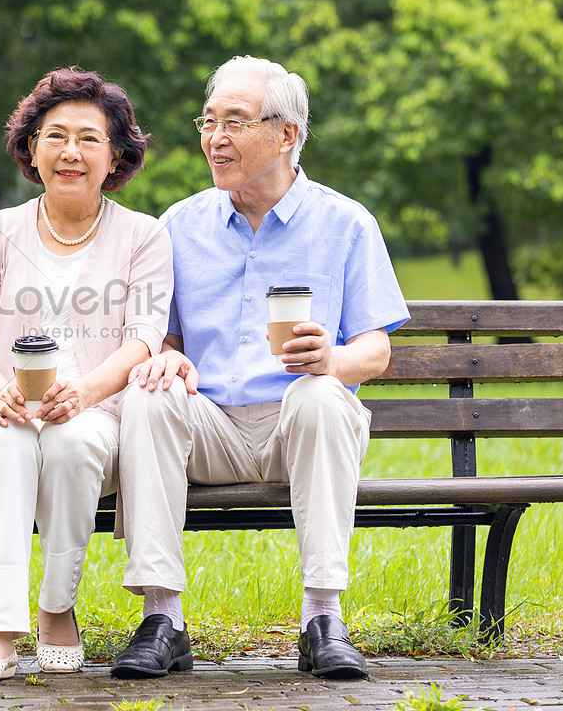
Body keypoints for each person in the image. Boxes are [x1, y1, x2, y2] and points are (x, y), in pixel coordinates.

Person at [110, 55, 409, 681]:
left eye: (235, 123)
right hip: (210, 424)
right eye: (209, 122)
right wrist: (166, 361)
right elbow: (157, 339)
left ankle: (323, 619)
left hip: (298, 425)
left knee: (324, 395)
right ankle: (163, 619)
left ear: (287, 135)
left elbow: (375, 352)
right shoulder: (178, 227)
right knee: (148, 395)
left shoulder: (346, 223)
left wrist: (330, 360)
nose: (215, 139)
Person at [0, 67, 173, 687]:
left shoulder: (144, 236)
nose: (71, 152)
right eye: (56, 136)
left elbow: (145, 336)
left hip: (98, 411)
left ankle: (55, 610)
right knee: (9, 442)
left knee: (72, 443)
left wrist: (88, 392)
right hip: (6, 406)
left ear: (116, 154)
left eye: (89, 139)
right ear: (31, 148)